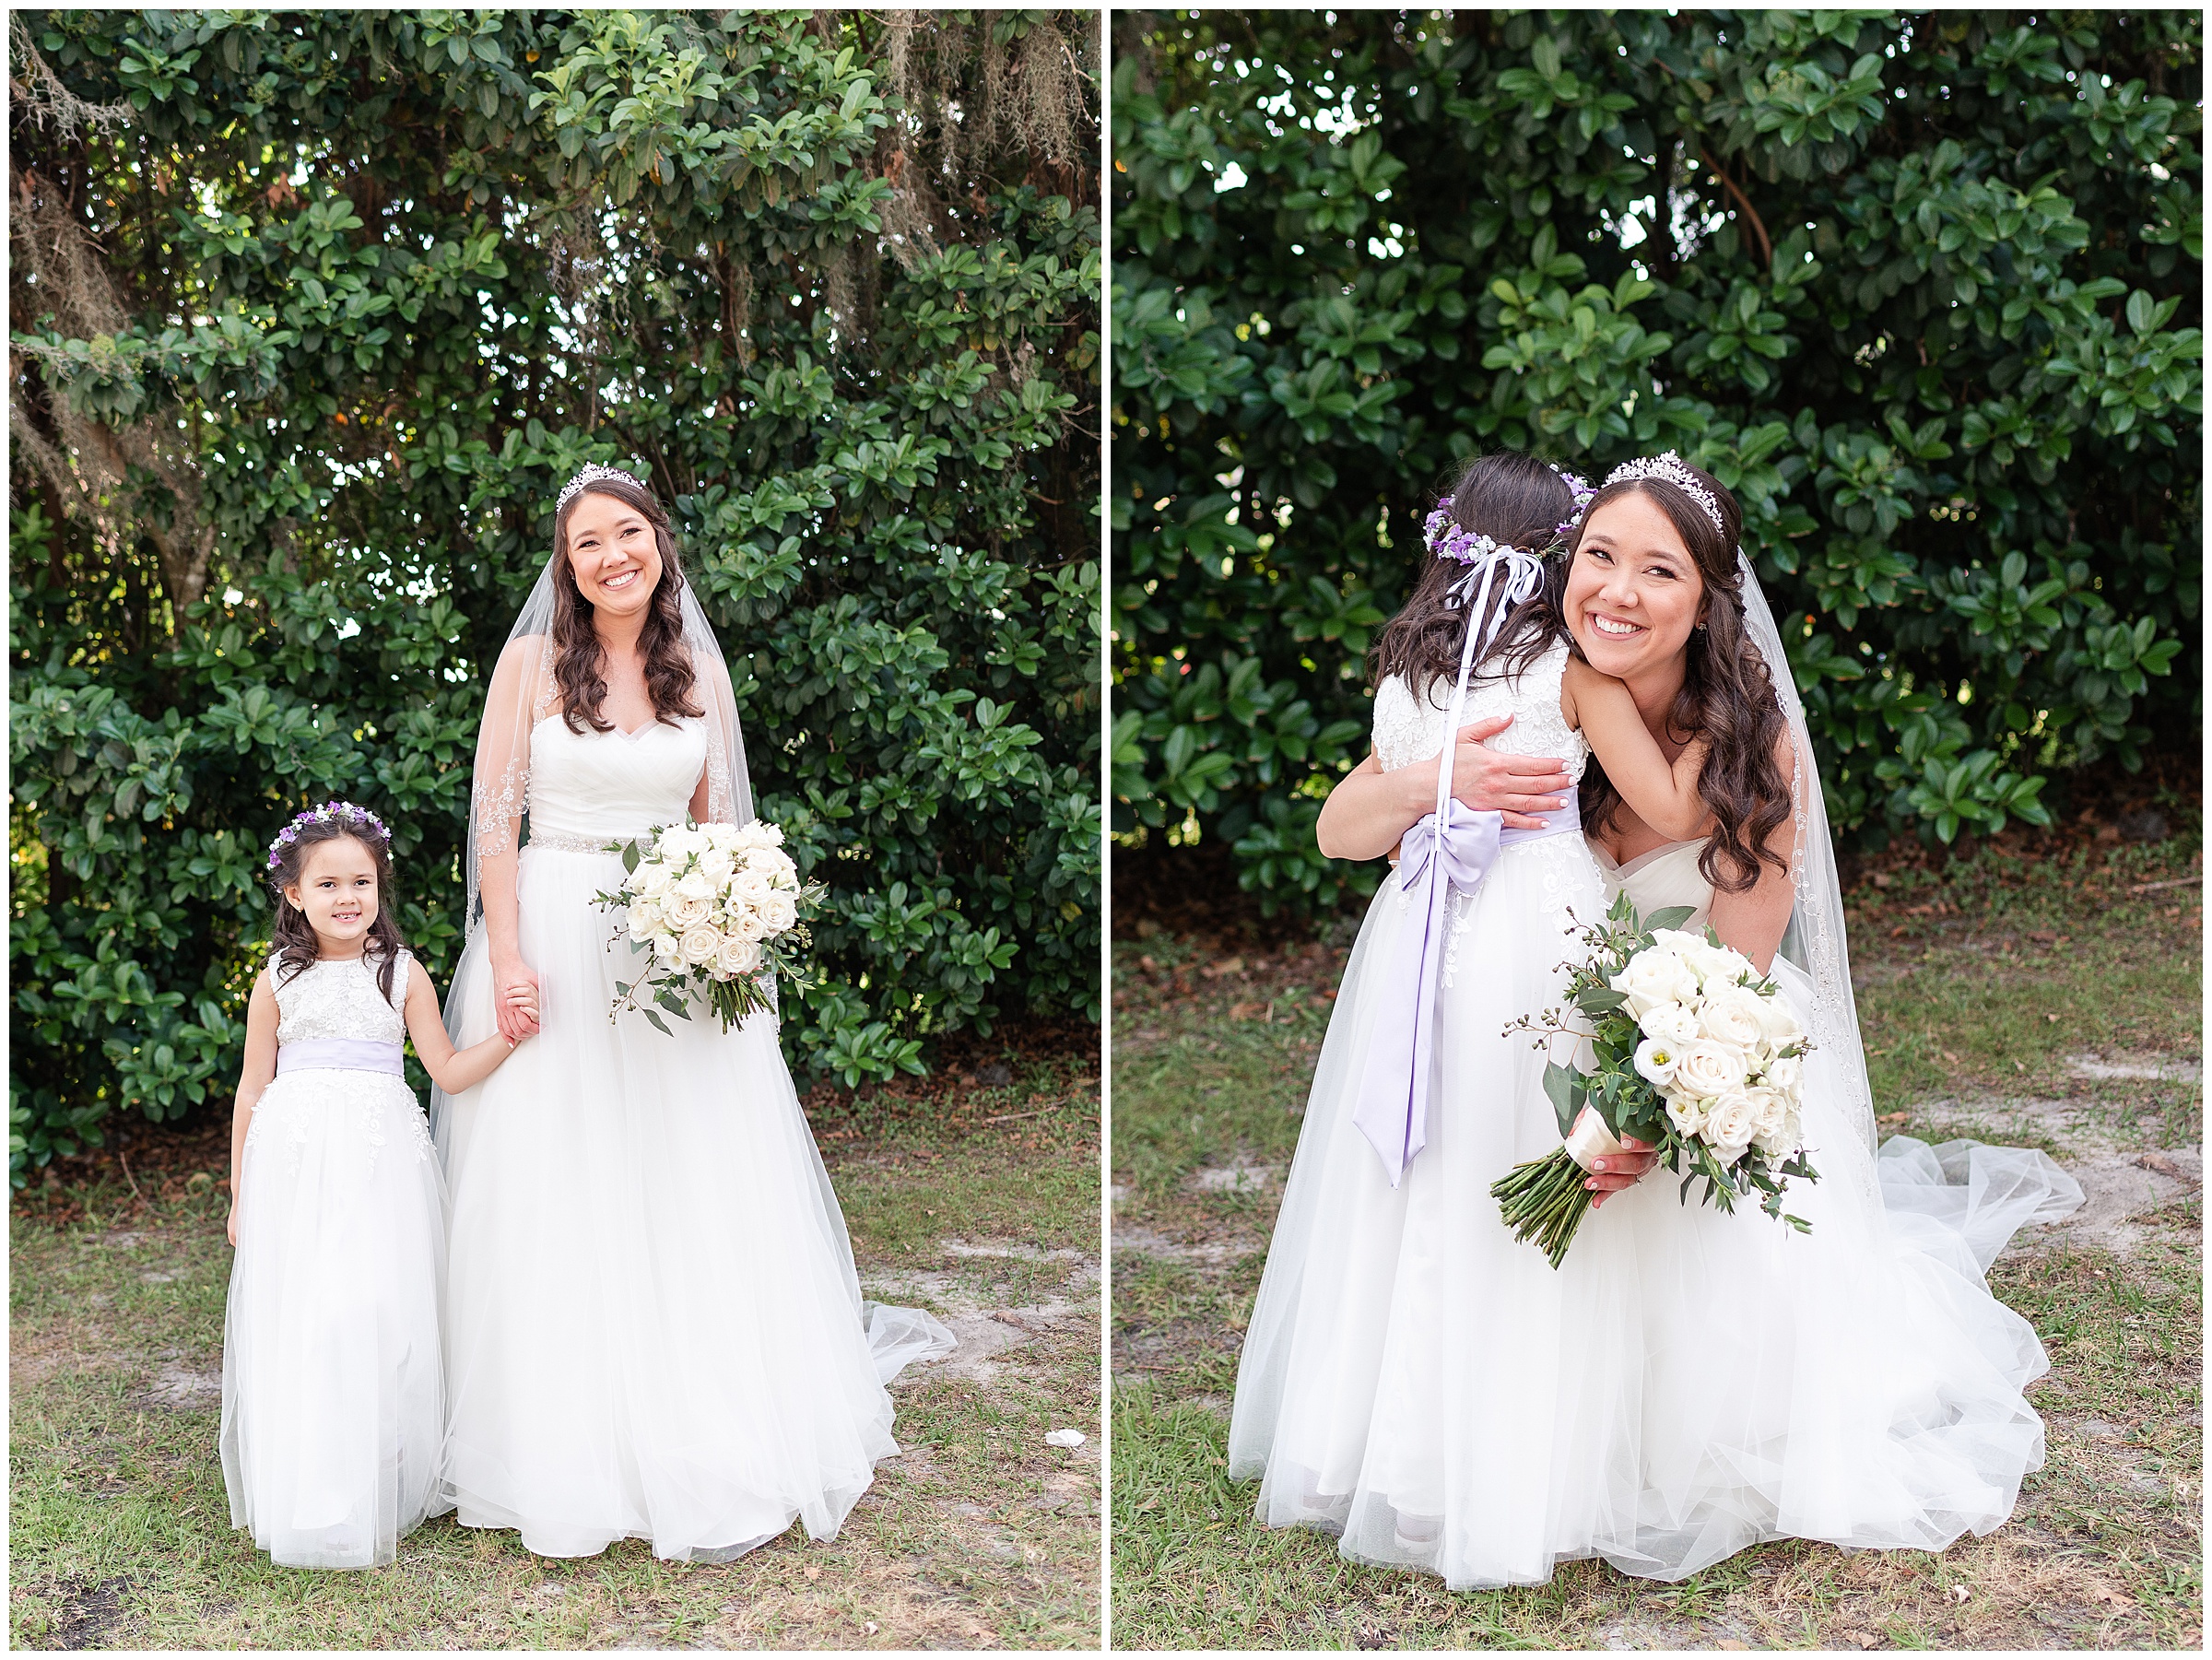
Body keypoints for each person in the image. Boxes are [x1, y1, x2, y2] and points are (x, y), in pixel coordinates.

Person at [1228, 451, 2082, 1590]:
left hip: (1702, 1041)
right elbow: (1350, 816)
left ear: (1706, 599)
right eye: (1598, 558)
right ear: (1556, 569)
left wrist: (1648, 1101)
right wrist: (1440, 788)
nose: (1617, 591)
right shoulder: (1537, 697)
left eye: (1658, 570)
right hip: (1541, 1028)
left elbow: (1739, 964)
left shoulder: (1750, 745)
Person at [431, 464, 956, 1563]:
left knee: (685, 1176)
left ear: (660, 542)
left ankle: (700, 1413)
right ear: (566, 567)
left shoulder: (696, 669)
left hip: (674, 952)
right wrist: (511, 954)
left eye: (629, 533)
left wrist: (731, 925)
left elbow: (723, 829)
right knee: (557, 1180)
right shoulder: (531, 664)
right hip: (557, 934)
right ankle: (561, 1437)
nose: (612, 555)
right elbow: (494, 821)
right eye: (588, 544)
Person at [221, 800, 527, 1570]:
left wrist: (508, 1038)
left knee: (376, 1309)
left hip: (379, 1166)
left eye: (362, 880)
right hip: (294, 1168)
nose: (348, 896)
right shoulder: (277, 979)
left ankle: (380, 1473)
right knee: (309, 1312)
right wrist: (239, 1191)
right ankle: (311, 1482)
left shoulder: (402, 972)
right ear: (294, 893)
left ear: (380, 887)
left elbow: (449, 1071)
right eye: (328, 884)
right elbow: (252, 1088)